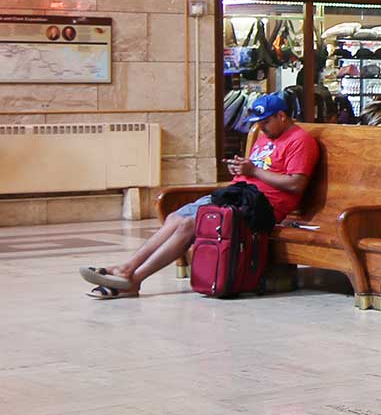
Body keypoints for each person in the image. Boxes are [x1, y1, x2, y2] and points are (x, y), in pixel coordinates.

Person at [82, 91, 318, 299]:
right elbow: (256, 169)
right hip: (237, 194)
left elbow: (295, 184)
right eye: (259, 122)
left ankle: (135, 279)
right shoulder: (265, 136)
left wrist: (253, 171)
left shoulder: (300, 141)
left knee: (189, 224)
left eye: (266, 122)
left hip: (262, 206)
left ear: (282, 116)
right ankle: (127, 268)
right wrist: (241, 170)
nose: (262, 127)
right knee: (175, 217)